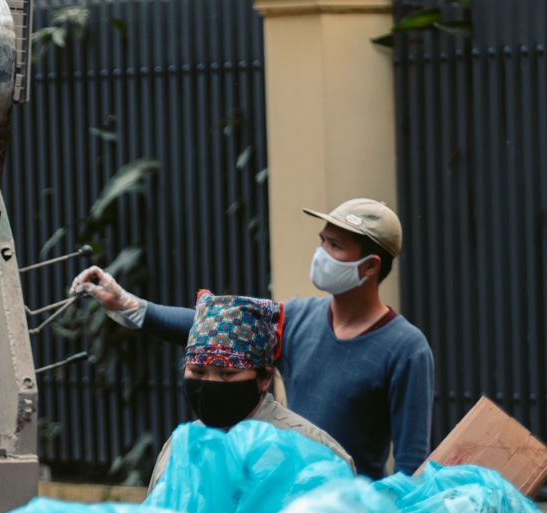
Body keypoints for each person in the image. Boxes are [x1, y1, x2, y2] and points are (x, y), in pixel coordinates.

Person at [74, 197, 434, 479]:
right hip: (290, 494)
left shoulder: (406, 348)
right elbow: (218, 327)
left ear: (370, 266)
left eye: (336, 247)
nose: (321, 254)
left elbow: (411, 467)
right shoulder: (297, 317)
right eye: (322, 242)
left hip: (353, 512)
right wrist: (130, 306)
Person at [143, 291, 353, 485]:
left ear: (265, 379)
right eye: (197, 372)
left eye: (227, 374)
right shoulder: (181, 449)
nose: (210, 384)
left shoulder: (310, 450)